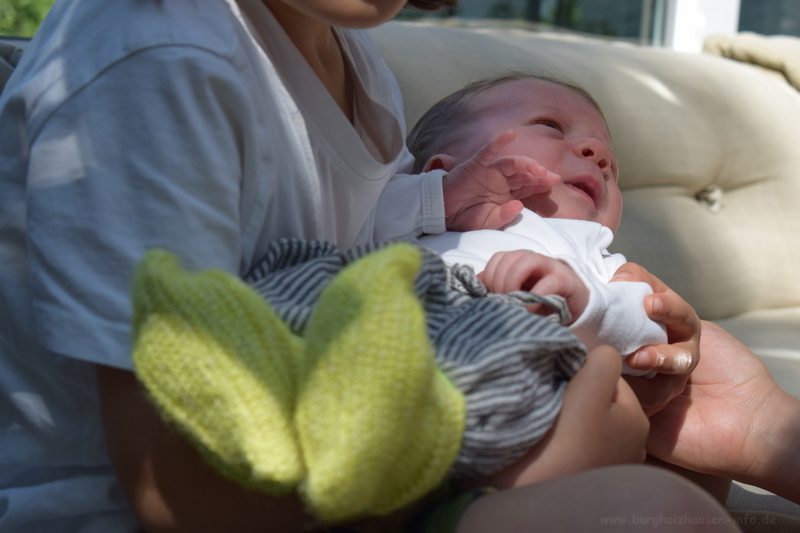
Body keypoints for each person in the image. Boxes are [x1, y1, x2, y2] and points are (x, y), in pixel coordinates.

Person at [0, 1, 727, 532]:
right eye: (548, 127)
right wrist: (533, 472)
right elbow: (172, 494)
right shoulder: (159, 55)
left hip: (366, 451)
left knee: (692, 472)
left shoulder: (359, 71)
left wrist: (637, 332)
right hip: (175, 506)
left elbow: (379, 274)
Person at [412, 72, 667, 376]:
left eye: (612, 165)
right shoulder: (393, 219)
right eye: (550, 126)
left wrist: (588, 304)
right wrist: (429, 199)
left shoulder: (595, 259)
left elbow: (653, 332)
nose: (599, 156)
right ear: (442, 172)